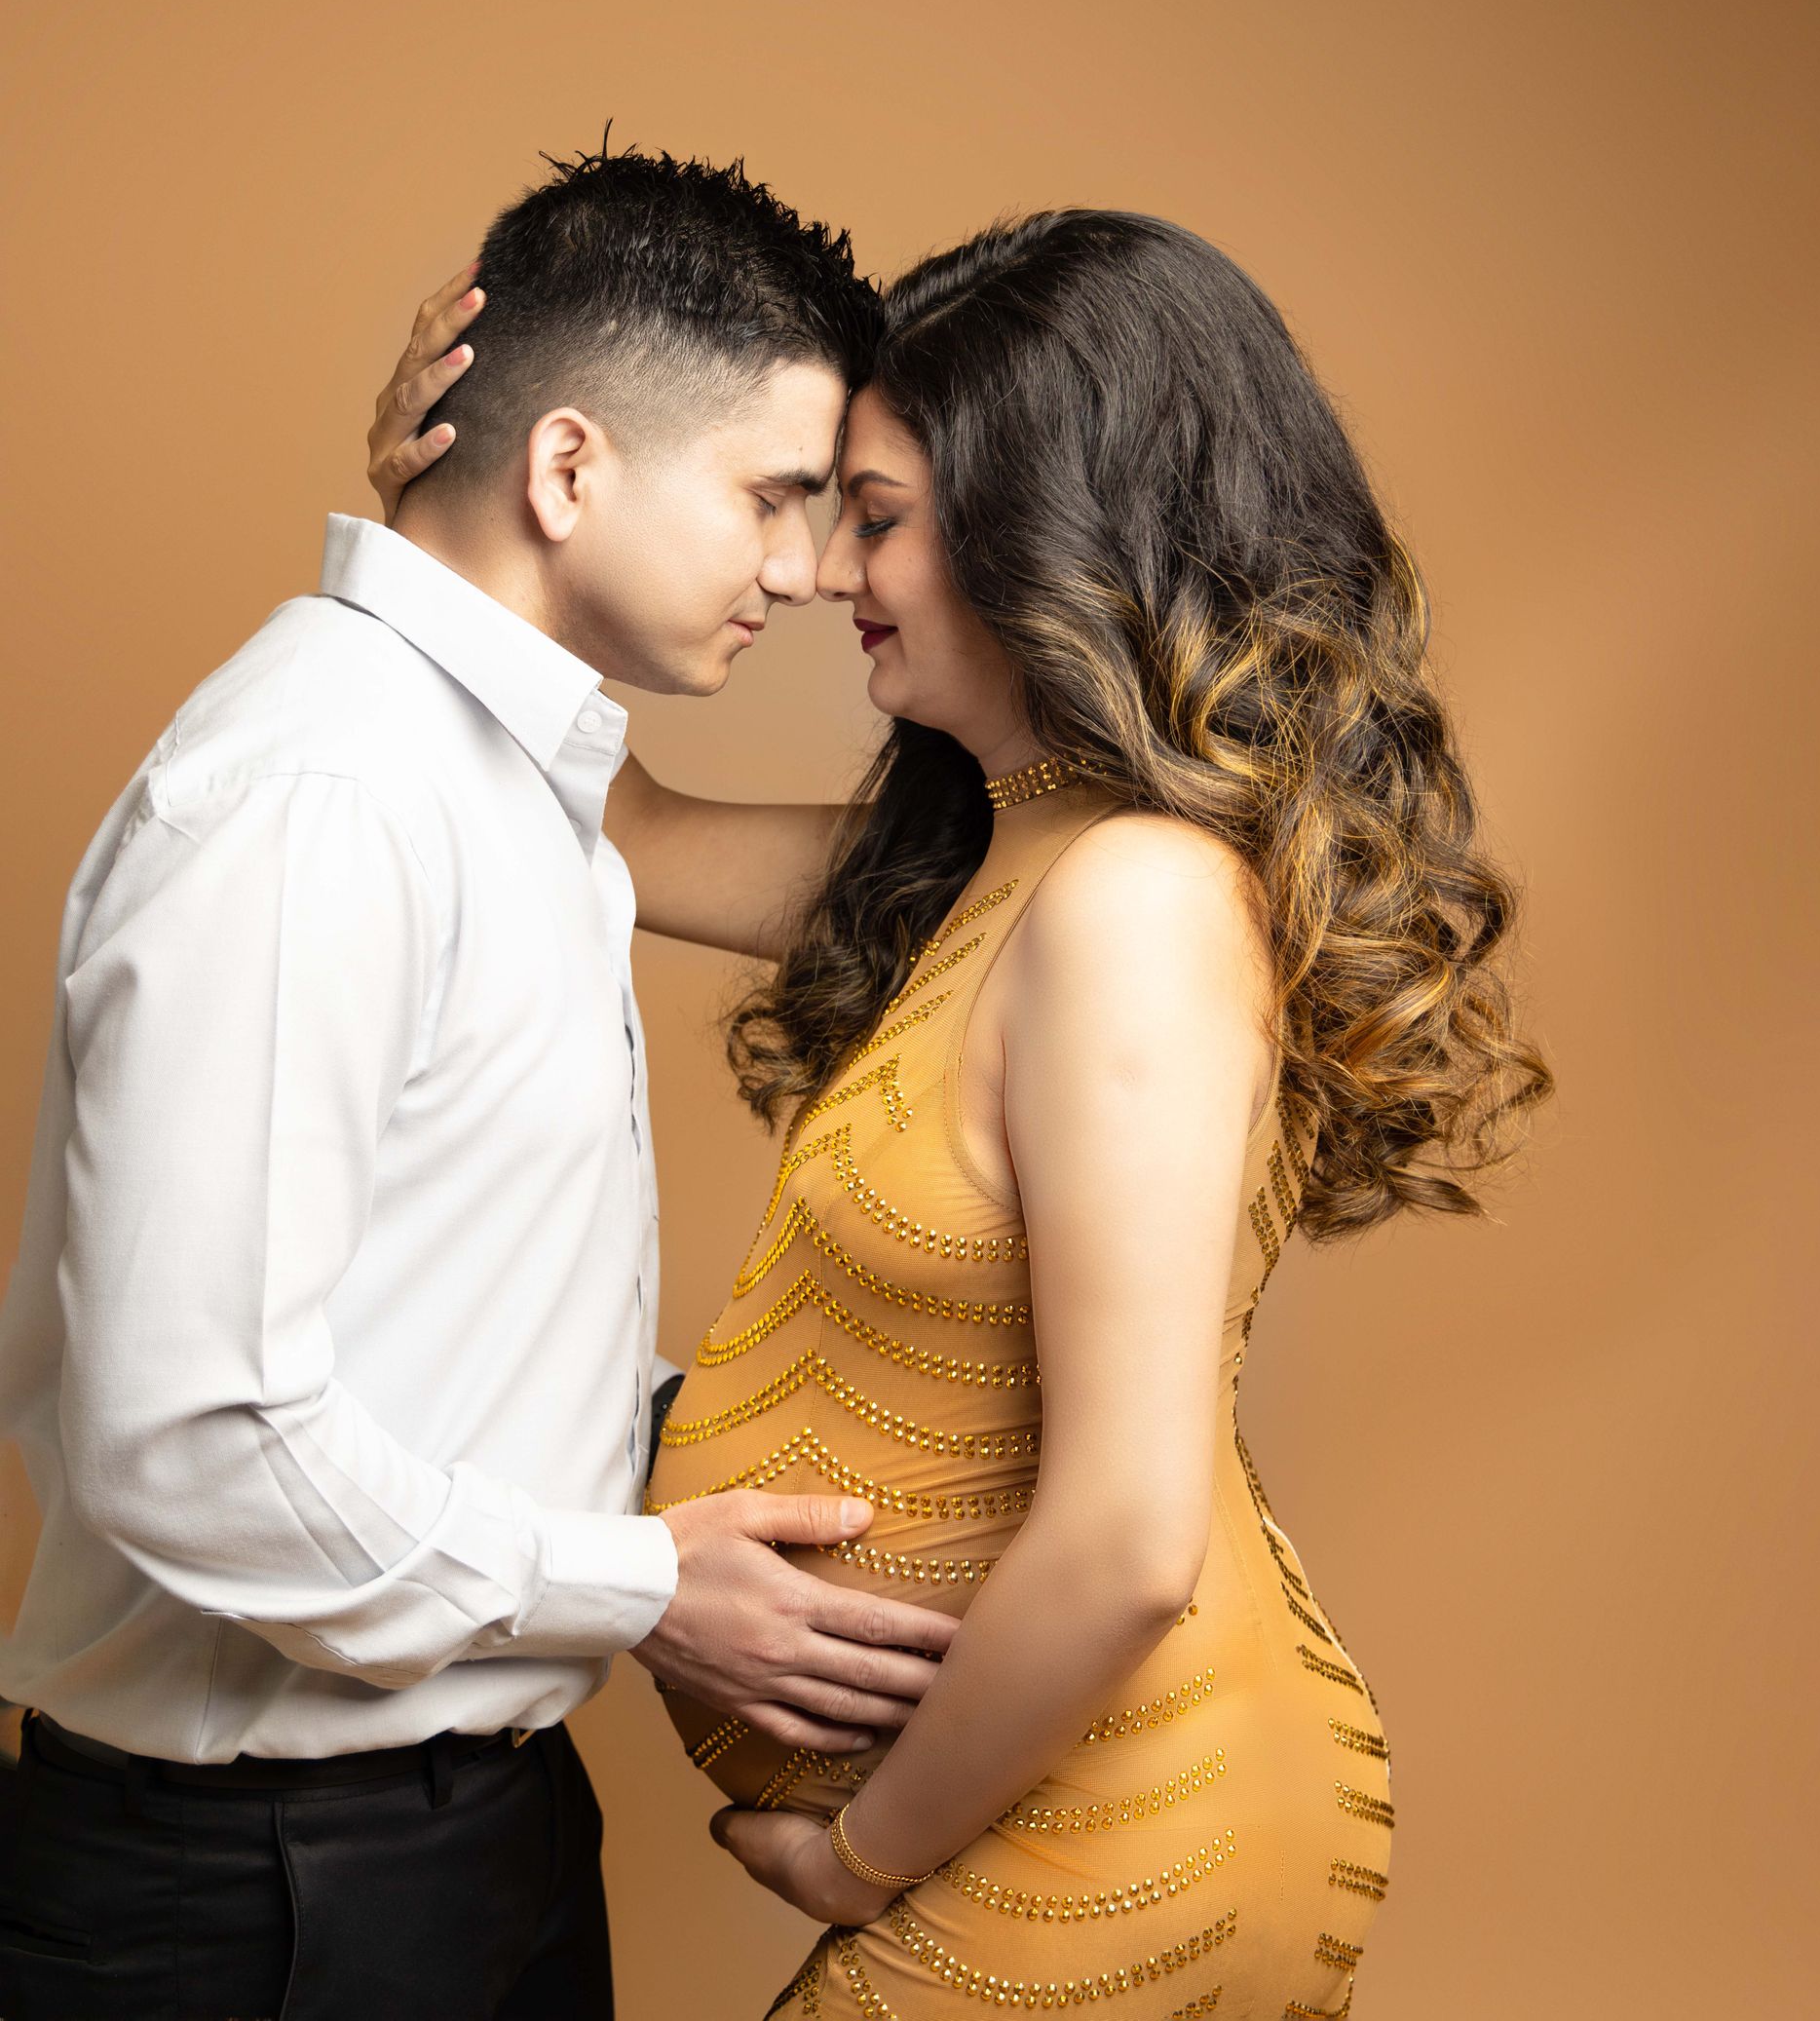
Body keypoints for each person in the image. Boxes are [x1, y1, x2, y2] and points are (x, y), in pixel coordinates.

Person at [370, 206, 1553, 2015]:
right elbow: (624, 838)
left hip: (1129, 1818)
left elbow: (1133, 1531)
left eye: (880, 517)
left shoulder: (1136, 903)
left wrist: (861, 1851)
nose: (830, 568)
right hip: (1053, 1807)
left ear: (1045, 531)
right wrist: (448, 541)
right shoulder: (993, 859)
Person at [0, 147, 965, 2021]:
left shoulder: (504, 779)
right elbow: (185, 1438)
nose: (805, 566)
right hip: (257, 1892)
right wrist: (642, 1585)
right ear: (571, 466)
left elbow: (443, 1312)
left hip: (476, 1832)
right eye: (774, 495)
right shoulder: (319, 798)